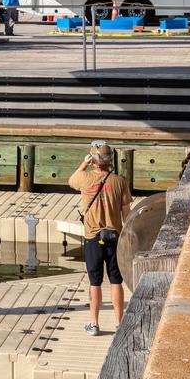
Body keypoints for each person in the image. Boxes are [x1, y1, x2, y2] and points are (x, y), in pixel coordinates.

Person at [68, 142, 131, 335]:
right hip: (114, 237)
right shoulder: (120, 181)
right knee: (116, 281)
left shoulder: (85, 178)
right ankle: (119, 323)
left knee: (95, 282)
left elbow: (71, 181)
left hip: (93, 237)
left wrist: (82, 164)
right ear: (110, 160)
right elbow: (127, 214)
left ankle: (94, 324)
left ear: (93, 160)